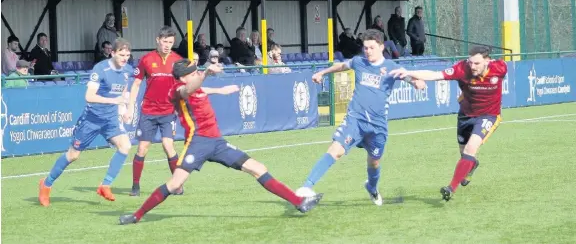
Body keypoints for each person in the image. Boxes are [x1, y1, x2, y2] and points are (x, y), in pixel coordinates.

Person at [118, 58, 323, 225]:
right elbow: (190, 90)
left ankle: (299, 202)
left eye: (197, 71)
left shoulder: (193, 86)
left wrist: (220, 90)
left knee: (258, 168)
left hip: (217, 142)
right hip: (197, 142)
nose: (197, 74)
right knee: (175, 183)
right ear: (183, 77)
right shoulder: (177, 90)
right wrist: (206, 74)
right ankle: (136, 215)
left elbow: (199, 90)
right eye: (193, 72)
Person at [295, 29, 426, 206]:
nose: (367, 51)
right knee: (336, 150)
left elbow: (410, 78)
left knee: (374, 163)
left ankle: (372, 188)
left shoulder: (392, 67)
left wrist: (417, 82)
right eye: (365, 48)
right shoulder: (358, 62)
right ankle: (306, 187)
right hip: (354, 120)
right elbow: (341, 66)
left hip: (377, 126)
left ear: (381, 47)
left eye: (371, 47)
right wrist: (322, 73)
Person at [389, 46, 507, 201]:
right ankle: (472, 165)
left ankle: (451, 188)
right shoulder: (462, 68)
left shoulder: (499, 68)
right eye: (470, 62)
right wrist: (409, 72)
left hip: (488, 115)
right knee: (464, 152)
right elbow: (435, 75)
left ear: (487, 61)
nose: (472, 67)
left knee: (470, 149)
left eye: (477, 63)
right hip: (465, 114)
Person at [38, 38, 133, 206]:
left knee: (125, 146)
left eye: (127, 54)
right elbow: (89, 97)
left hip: (110, 119)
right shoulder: (101, 69)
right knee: (73, 155)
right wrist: (114, 101)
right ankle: (46, 184)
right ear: (112, 53)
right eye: (121, 54)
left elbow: (125, 90)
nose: (125, 58)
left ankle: (105, 185)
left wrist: (124, 109)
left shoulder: (127, 70)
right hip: (92, 119)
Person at [124, 26, 184, 197]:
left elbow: (183, 85)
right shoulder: (146, 59)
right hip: (148, 112)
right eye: (165, 41)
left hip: (168, 112)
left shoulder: (177, 61)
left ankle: (177, 184)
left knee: (168, 145)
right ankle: (135, 186)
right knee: (142, 148)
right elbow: (135, 84)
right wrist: (129, 107)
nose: (167, 45)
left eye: (171, 42)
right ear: (157, 40)